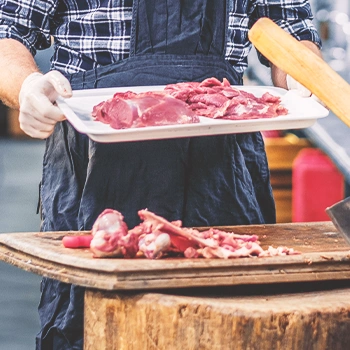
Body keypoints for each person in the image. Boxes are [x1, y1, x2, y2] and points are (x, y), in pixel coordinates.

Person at [0, 0, 322, 349]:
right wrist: (26, 86)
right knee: (89, 330)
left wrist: (305, 77)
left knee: (233, 324)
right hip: (96, 163)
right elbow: (8, 30)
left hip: (223, 167)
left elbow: (289, 27)